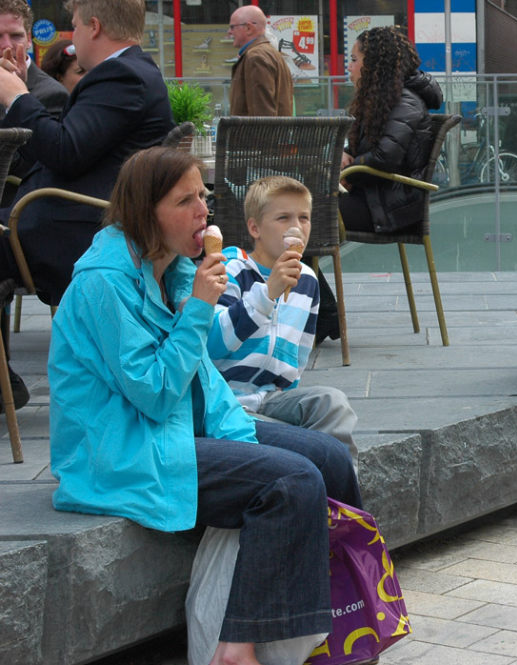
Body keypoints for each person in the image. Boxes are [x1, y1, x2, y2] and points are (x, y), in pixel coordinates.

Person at [48, 146, 363, 665]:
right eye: (185, 200)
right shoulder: (103, 284)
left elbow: (204, 382)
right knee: (292, 481)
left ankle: (346, 609)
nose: (203, 211)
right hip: (125, 448)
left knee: (326, 456)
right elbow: (152, 393)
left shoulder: (169, 268)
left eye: (203, 196)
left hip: (185, 426)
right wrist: (200, 307)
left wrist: (241, 432)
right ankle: (235, 648)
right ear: (146, 212)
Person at [0, 0, 174, 406]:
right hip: (77, 219)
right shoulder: (128, 72)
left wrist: (18, 97)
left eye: (74, 26)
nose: (72, 39)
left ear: (94, 27)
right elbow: (63, 151)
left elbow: (66, 150)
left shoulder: (122, 75)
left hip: (78, 232)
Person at [207, 175, 359, 462]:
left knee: (332, 403)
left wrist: (288, 396)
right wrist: (268, 292)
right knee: (302, 447)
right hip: (225, 400)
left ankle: (343, 500)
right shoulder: (231, 270)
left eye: (304, 218)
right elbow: (215, 342)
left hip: (270, 398)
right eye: (283, 218)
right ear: (255, 228)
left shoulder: (309, 281)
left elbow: (297, 358)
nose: (296, 227)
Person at [339, 26, 442, 234]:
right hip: (376, 200)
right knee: (293, 215)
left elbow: (384, 157)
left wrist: (347, 174)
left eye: (354, 59)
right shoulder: (385, 100)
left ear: (374, 64)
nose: (349, 67)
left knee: (299, 219)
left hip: (391, 210)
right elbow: (371, 148)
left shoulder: (406, 102)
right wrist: (346, 155)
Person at [0, 0, 68, 116]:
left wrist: (15, 94)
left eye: (16, 36)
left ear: (29, 39)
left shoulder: (53, 94)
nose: (7, 46)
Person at [228, 4, 293, 116]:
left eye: (232, 27)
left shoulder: (256, 58)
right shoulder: (271, 54)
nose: (229, 32)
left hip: (257, 133)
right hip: (278, 132)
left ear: (249, 28)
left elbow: (262, 116)